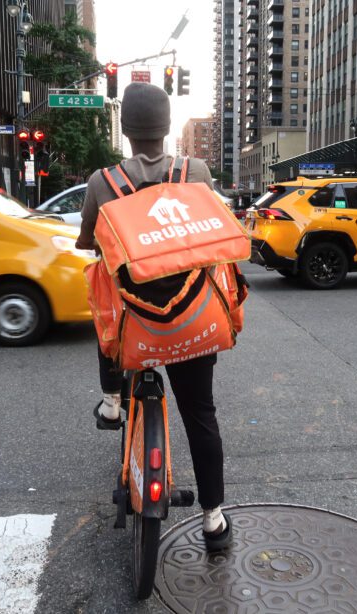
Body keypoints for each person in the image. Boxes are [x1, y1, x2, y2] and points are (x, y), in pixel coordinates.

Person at [76, 82, 232, 552]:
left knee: (103, 300)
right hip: (191, 323)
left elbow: (90, 243)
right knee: (201, 415)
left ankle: (111, 399)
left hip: (135, 328)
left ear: (125, 131)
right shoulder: (197, 172)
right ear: (165, 128)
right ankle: (213, 520)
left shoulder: (103, 182)